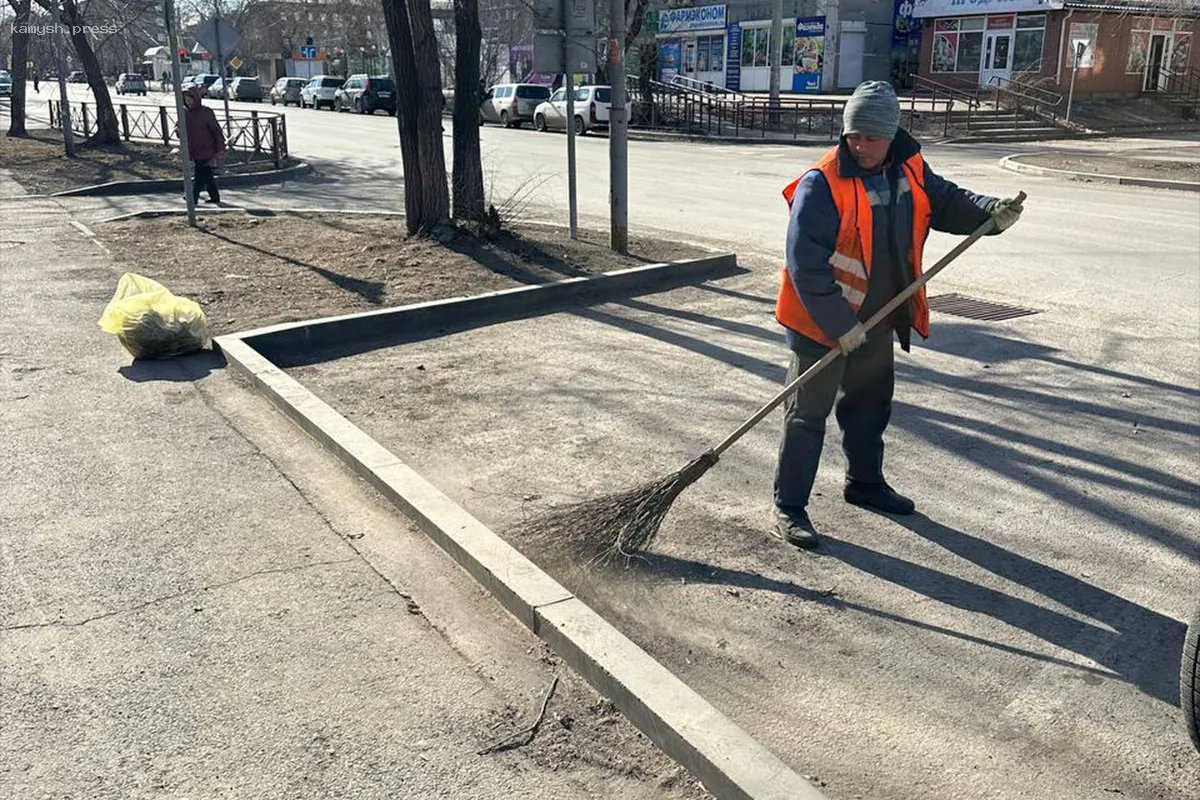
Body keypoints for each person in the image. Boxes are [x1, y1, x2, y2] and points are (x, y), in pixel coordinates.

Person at [771, 80, 1022, 549]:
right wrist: (839, 327)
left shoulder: (909, 166)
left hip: (879, 317)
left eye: (871, 136)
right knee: (807, 416)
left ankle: (865, 484)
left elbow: (945, 201)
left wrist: (991, 211)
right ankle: (790, 506)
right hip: (820, 323)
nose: (861, 146)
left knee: (869, 406)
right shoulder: (821, 183)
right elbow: (806, 266)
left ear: (892, 134)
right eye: (853, 136)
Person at [181, 84, 226, 205]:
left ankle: (192, 197)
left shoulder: (206, 112)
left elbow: (216, 130)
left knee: (199, 175)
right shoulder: (185, 113)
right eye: (186, 100)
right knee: (207, 174)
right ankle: (215, 196)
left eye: (190, 99)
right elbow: (180, 129)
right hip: (195, 149)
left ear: (196, 98)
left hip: (206, 148)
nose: (188, 102)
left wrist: (220, 147)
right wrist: (178, 131)